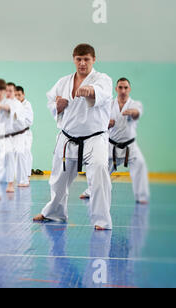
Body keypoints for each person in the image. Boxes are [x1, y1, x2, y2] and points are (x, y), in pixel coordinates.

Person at [34, 44, 113, 231]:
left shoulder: (103, 79)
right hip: (68, 137)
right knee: (58, 179)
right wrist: (58, 106)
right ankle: (54, 213)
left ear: (94, 60)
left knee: (100, 173)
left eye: (86, 59)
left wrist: (91, 91)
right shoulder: (63, 82)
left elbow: (103, 93)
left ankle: (102, 220)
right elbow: (51, 103)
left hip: (95, 138)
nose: (82, 63)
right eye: (79, 59)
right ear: (73, 59)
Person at [80, 78, 150, 204]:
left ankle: (142, 196)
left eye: (126, 88)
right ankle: (91, 191)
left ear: (129, 89)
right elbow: (100, 122)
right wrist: (107, 124)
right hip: (111, 145)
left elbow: (137, 113)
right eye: (120, 87)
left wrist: (133, 113)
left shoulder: (135, 104)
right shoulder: (110, 105)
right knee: (100, 169)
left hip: (130, 145)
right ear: (116, 89)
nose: (123, 90)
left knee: (140, 165)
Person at [0, 81, 26, 194]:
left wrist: (2, 106)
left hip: (16, 136)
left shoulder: (17, 104)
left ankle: (15, 182)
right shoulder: (0, 102)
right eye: (6, 91)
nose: (8, 93)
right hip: (3, 136)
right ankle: (6, 181)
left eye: (10, 91)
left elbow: (10, 109)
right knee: (4, 156)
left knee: (15, 155)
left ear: (14, 92)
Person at [15, 86, 34, 187]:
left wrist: (16, 116)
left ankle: (27, 176)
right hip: (16, 134)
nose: (17, 97)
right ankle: (20, 177)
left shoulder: (27, 105)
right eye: (15, 95)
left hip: (26, 133)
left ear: (23, 94)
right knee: (18, 154)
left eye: (19, 95)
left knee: (26, 151)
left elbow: (29, 121)